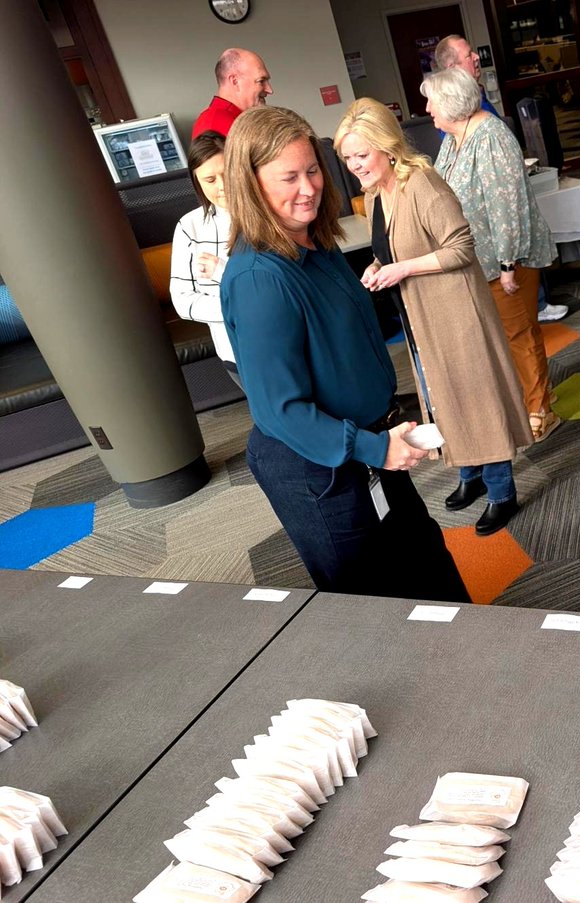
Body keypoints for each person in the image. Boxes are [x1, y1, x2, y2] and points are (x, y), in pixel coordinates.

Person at [219, 106, 468, 601]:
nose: (308, 187)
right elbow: (281, 410)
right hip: (319, 467)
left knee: (425, 563)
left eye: (311, 170)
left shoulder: (317, 243)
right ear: (252, 185)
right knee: (372, 600)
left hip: (369, 444)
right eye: (288, 177)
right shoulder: (259, 280)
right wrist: (375, 449)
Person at [333, 98, 533, 536]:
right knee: (440, 396)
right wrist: (376, 266)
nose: (355, 166)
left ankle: (501, 491)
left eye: (361, 155)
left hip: (454, 310)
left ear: (386, 146)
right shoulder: (376, 195)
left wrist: (401, 269)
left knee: (475, 398)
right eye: (347, 158)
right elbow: (391, 251)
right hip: (420, 314)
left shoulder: (421, 182)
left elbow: (461, 248)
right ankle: (471, 474)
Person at [422, 68, 561, 443]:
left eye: (431, 101)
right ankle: (525, 399)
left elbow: (508, 208)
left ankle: (541, 410)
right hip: (474, 262)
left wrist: (507, 264)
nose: (427, 108)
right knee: (499, 336)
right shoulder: (453, 139)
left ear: (451, 104)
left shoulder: (492, 137)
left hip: (505, 260)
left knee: (519, 333)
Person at [170, 131, 239, 387]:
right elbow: (183, 301)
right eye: (210, 179)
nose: (222, 186)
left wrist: (222, 272)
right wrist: (240, 309)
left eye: (227, 173)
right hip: (233, 350)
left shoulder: (270, 214)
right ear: (197, 182)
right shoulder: (190, 226)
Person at [193, 48, 273, 139]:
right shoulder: (215, 124)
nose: (270, 90)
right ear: (235, 81)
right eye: (261, 81)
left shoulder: (238, 121)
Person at [432, 35, 498, 117]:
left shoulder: (475, 95)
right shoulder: (456, 110)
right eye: (469, 55)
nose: (477, 57)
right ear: (453, 68)